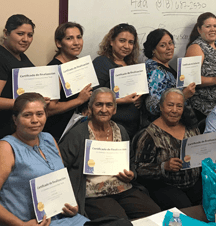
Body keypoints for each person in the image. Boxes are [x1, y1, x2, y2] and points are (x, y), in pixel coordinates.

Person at [0, 93, 89, 226]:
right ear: (15, 119)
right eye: (27, 115)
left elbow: (58, 180)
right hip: (22, 223)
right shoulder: (4, 148)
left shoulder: (49, 139)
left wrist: (70, 205)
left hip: (59, 218)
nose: (35, 120)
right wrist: (20, 225)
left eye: (39, 114)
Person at [59, 88, 160, 220]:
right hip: (94, 194)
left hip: (123, 188)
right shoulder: (77, 134)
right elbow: (59, 166)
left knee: (155, 214)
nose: (104, 109)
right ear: (90, 108)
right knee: (119, 221)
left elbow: (130, 162)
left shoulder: (120, 130)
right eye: (99, 104)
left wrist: (131, 174)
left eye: (109, 105)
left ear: (115, 109)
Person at [134, 89, 213, 210]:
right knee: (187, 211)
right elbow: (139, 169)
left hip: (195, 182)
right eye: (170, 105)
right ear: (161, 107)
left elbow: (200, 152)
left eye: (179, 106)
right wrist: (164, 166)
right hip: (166, 186)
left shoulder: (190, 125)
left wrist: (214, 154)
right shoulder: (149, 135)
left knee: (212, 202)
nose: (174, 110)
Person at [0, 14, 36, 156]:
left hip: (18, 133)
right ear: (6, 33)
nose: (25, 39)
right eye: (20, 34)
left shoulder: (22, 57)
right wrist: (27, 103)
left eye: (30, 35)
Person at [93, 23, 143, 137]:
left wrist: (139, 99)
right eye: (122, 41)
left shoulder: (132, 65)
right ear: (111, 41)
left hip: (133, 128)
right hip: (110, 127)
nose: (126, 46)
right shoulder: (102, 62)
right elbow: (93, 95)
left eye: (131, 42)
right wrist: (121, 100)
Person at [44, 22, 93, 140]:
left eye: (79, 37)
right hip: (58, 133)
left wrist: (86, 107)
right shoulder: (54, 69)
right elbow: (50, 109)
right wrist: (79, 100)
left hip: (77, 130)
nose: (76, 43)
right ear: (59, 43)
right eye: (69, 38)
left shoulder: (81, 64)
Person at [143, 28, 196, 121]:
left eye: (170, 43)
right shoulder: (154, 71)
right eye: (163, 45)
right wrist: (184, 95)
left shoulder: (165, 65)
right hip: (163, 125)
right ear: (153, 50)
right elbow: (154, 107)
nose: (169, 48)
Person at [185, 12, 216, 120]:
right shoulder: (196, 47)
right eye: (208, 26)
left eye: (215, 26)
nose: (213, 29)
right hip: (203, 107)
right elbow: (190, 80)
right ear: (199, 29)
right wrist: (215, 80)